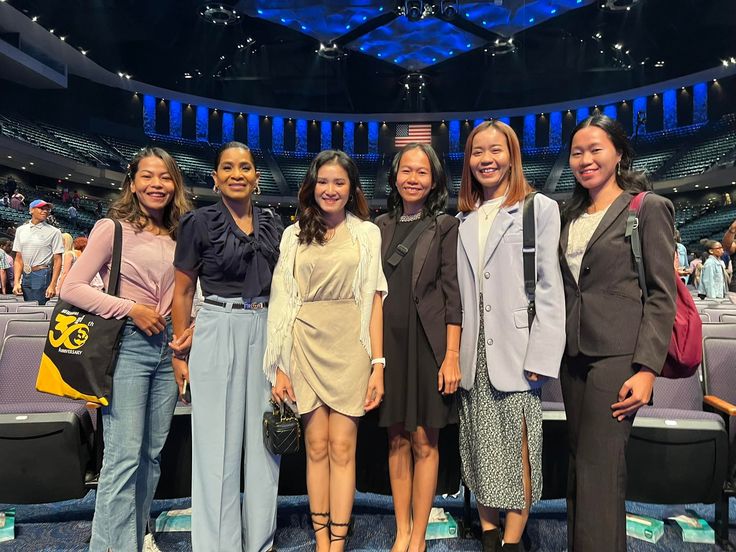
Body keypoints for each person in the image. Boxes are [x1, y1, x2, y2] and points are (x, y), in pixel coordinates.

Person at [61, 146, 191, 552]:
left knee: (150, 458)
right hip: (128, 346)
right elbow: (72, 288)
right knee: (122, 459)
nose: (157, 184)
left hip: (168, 347)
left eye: (166, 177)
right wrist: (130, 308)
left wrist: (189, 332)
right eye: (148, 176)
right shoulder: (111, 228)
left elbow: (186, 293)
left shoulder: (181, 233)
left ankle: (133, 539)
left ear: (175, 185)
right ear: (132, 183)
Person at [559, 114, 676, 552]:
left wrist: (646, 369)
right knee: (579, 464)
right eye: (577, 152)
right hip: (573, 354)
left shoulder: (645, 207)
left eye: (595, 150)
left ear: (619, 154)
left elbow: (662, 295)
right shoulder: (570, 213)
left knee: (599, 466)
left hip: (619, 356)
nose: (585, 159)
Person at [266, 150, 387, 551]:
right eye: (323, 182)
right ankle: (321, 541)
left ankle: (338, 541)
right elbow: (282, 302)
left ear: (352, 188)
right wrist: (279, 366)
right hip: (303, 344)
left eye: (339, 182)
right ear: (311, 186)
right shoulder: (293, 234)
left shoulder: (367, 234)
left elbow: (374, 299)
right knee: (315, 447)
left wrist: (377, 365)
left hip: (351, 345)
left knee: (342, 446)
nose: (330, 190)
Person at [455, 121, 565, 552]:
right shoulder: (463, 218)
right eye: (477, 151)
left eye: (495, 150)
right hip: (472, 351)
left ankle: (513, 542)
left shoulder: (539, 208)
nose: (486, 159)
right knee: (481, 446)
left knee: (518, 447)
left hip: (520, 350)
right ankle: (488, 532)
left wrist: (542, 353)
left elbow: (550, 287)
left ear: (512, 155)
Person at [171, 141, 282, 552]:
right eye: (228, 167)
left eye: (246, 167)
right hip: (217, 324)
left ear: (256, 177)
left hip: (267, 328)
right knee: (215, 445)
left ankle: (261, 542)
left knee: (265, 444)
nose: (238, 173)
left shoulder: (273, 222)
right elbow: (182, 293)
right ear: (215, 178)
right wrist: (179, 352)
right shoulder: (197, 223)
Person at [374, 143, 461, 552]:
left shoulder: (445, 226)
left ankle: (420, 536)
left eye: (421, 172)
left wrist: (452, 356)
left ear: (434, 181)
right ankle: (401, 531)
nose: (412, 178)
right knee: (396, 440)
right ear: (394, 177)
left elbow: (452, 294)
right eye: (406, 171)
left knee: (426, 441)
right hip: (388, 347)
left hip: (428, 347)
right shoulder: (378, 227)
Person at [12, 199, 63, 304]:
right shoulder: (20, 230)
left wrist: (53, 285)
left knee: (36, 307)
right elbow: (18, 258)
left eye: (47, 209)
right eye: (41, 208)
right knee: (26, 306)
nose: (45, 211)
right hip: (25, 274)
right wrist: (16, 282)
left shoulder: (54, 232)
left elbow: (58, 260)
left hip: (41, 273)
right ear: (31, 210)